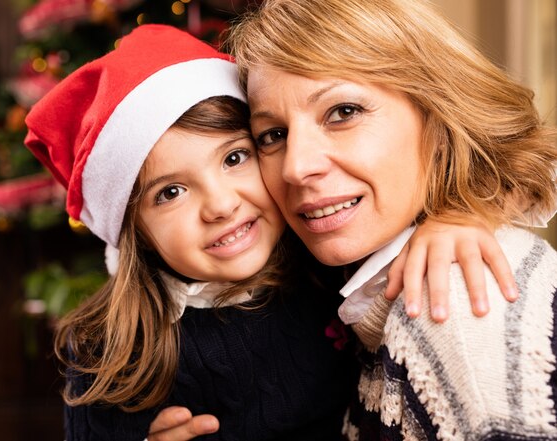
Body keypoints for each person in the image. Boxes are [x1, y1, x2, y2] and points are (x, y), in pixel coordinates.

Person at [25, 20, 531, 441]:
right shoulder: (111, 350)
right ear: (134, 231)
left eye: (235, 157)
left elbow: (508, 173)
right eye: (170, 193)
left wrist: (457, 215)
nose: (221, 205)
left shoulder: (325, 255)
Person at [220, 0, 557, 439]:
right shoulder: (344, 288)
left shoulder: (459, 316)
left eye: (343, 112)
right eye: (274, 135)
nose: (295, 167)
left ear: (438, 117)